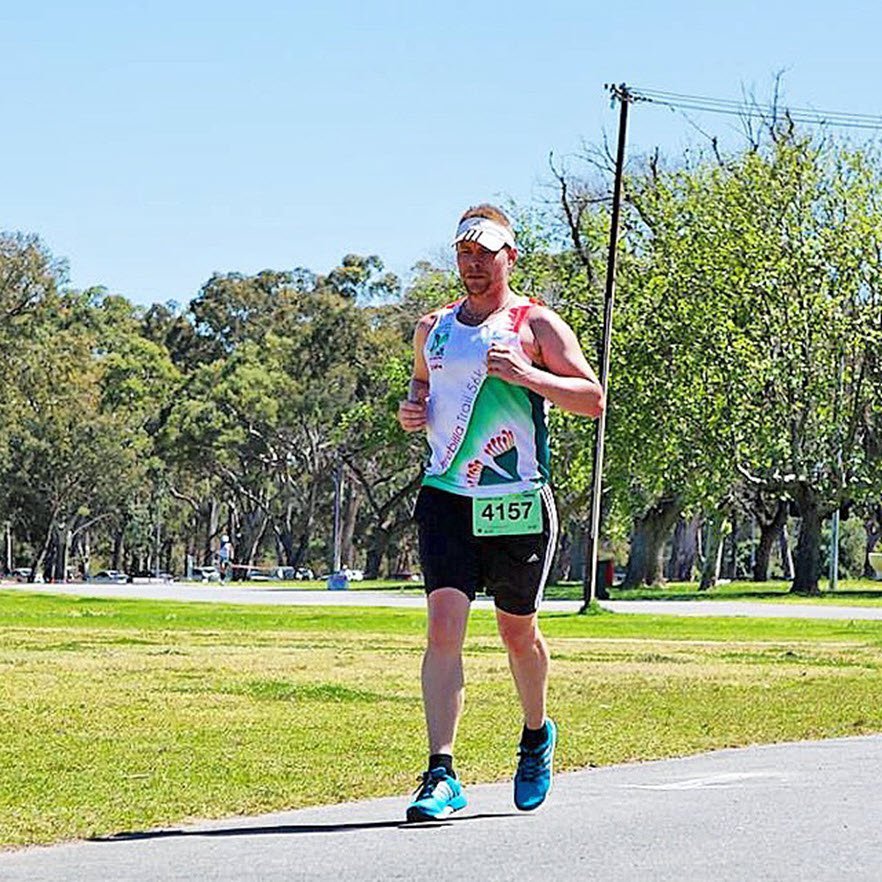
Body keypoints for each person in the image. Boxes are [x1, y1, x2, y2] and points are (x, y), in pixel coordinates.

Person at [397, 204, 604, 822]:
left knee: (517, 632)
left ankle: (536, 734)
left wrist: (529, 374)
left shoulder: (534, 324)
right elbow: (422, 385)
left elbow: (592, 398)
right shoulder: (433, 328)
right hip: (446, 496)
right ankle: (441, 773)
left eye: (485, 254)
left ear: (509, 257)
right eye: (464, 254)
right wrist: (413, 407)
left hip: (515, 500)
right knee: (443, 631)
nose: (473, 265)